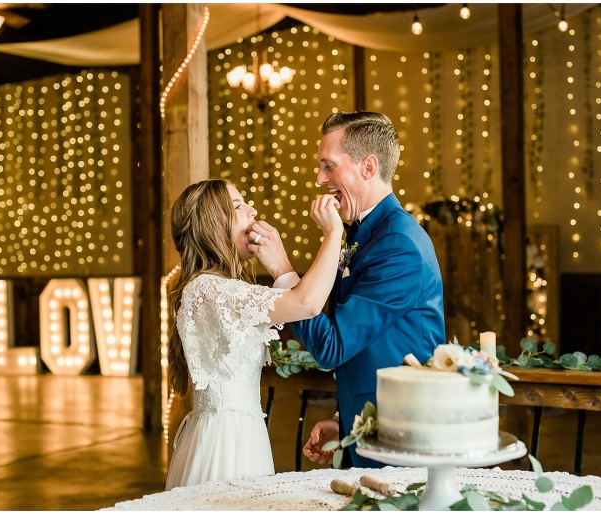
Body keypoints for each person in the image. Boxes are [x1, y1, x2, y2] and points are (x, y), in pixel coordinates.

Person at [259, 111, 446, 467]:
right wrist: (344, 420)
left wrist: (283, 271)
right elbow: (373, 346)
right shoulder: (369, 233)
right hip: (371, 428)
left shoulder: (398, 244)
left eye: (328, 166)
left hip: (402, 438)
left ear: (368, 167)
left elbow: (333, 347)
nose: (319, 178)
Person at [164, 178, 343, 489]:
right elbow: (308, 303)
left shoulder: (221, 289)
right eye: (238, 206)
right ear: (210, 226)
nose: (253, 210)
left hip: (243, 434)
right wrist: (333, 234)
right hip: (226, 442)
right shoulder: (210, 291)